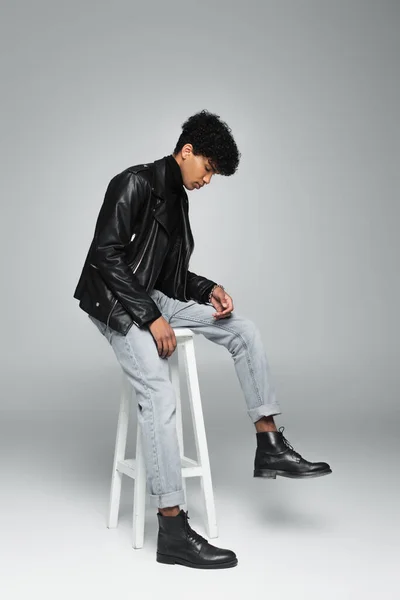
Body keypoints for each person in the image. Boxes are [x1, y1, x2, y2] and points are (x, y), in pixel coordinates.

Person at [73, 109, 332, 570]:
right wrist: (150, 318)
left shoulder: (180, 200)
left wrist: (208, 289)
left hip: (151, 298)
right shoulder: (134, 182)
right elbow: (105, 257)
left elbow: (169, 276)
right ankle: (172, 526)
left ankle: (269, 444)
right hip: (116, 303)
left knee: (242, 330)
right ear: (186, 151)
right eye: (208, 168)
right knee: (159, 393)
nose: (208, 180)